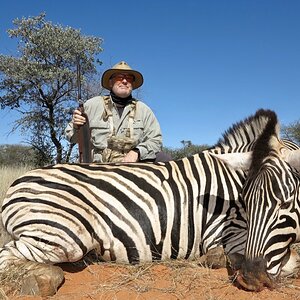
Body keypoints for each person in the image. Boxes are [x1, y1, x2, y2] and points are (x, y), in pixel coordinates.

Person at [65, 61, 171, 163]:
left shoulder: (144, 110)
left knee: (164, 159)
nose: (124, 81)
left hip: (134, 165)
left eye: (129, 78)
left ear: (132, 84)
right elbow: (72, 137)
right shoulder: (91, 105)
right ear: (111, 82)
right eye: (119, 77)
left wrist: (137, 152)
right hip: (98, 166)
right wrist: (76, 126)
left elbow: (156, 141)